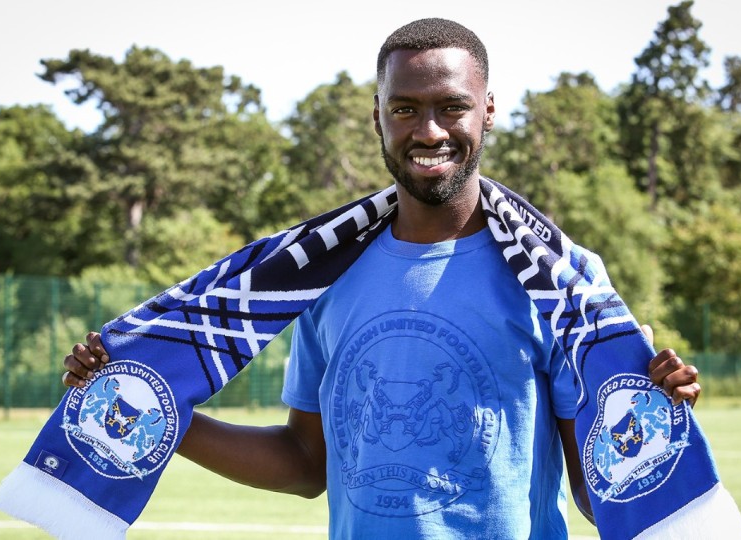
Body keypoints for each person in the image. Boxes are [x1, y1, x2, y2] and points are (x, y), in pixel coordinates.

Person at [62, 18, 701, 539]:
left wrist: (651, 423)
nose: (429, 131)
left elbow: (593, 492)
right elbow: (306, 464)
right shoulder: (320, 270)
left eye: (452, 107)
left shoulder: (560, 279)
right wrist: (153, 407)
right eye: (405, 108)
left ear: (488, 112)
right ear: (378, 117)